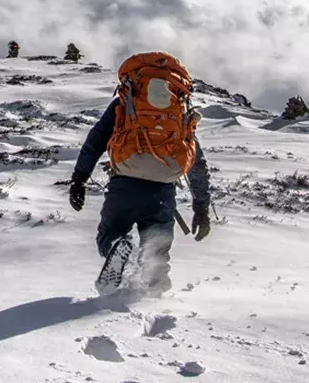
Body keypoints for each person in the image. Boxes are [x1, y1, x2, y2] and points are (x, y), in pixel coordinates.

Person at [67, 60, 213, 293]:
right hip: (163, 192)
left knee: (111, 234)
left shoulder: (124, 104)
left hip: (124, 185)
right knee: (157, 251)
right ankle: (155, 295)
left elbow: (95, 141)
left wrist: (79, 179)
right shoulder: (177, 112)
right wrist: (202, 208)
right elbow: (196, 161)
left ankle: (118, 246)